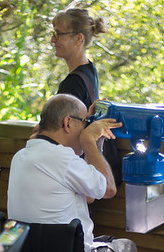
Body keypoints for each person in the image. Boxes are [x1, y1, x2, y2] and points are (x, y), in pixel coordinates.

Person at [7, 93, 137, 252]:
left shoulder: (20, 157)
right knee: (128, 248)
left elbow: (90, 195)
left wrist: (96, 142)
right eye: (85, 122)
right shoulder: (63, 159)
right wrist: (88, 141)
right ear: (68, 123)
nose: (86, 128)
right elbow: (108, 189)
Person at [50, 7, 122, 185]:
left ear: (78, 39)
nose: (53, 40)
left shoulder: (72, 84)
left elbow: (62, 135)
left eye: (59, 34)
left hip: (76, 174)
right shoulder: (90, 70)